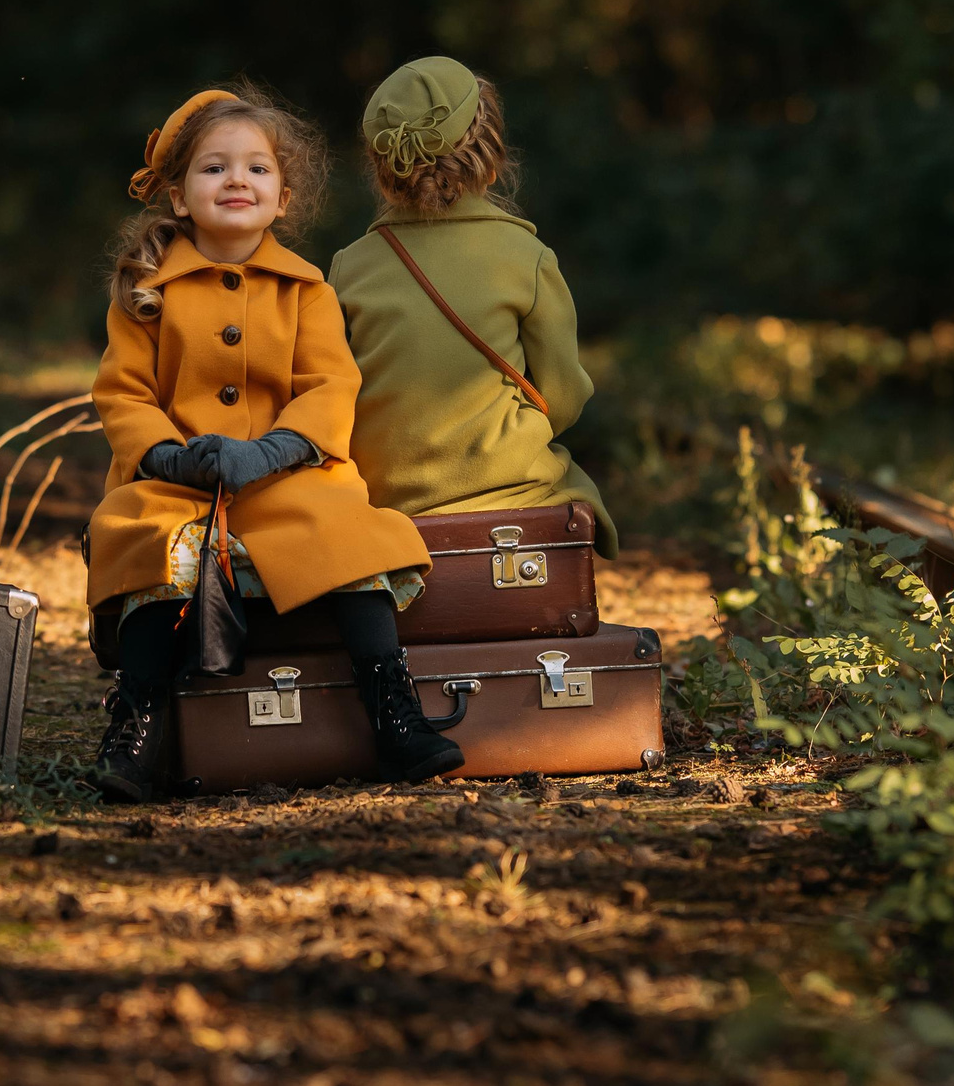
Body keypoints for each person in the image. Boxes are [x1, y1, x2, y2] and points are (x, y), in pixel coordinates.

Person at [85, 83, 463, 803]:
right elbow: (123, 393)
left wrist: (276, 449)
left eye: (256, 168)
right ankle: (138, 726)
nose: (236, 180)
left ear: (283, 198)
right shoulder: (144, 292)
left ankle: (394, 714)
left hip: (286, 473)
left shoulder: (307, 289)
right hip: (179, 480)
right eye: (213, 167)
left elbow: (330, 384)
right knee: (145, 535)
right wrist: (165, 455)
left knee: (350, 531)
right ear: (177, 196)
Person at [328, 57, 620, 559]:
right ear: (488, 147)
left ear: (382, 163)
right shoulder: (524, 256)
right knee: (565, 476)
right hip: (511, 490)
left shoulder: (348, 268)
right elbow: (564, 397)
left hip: (387, 501)